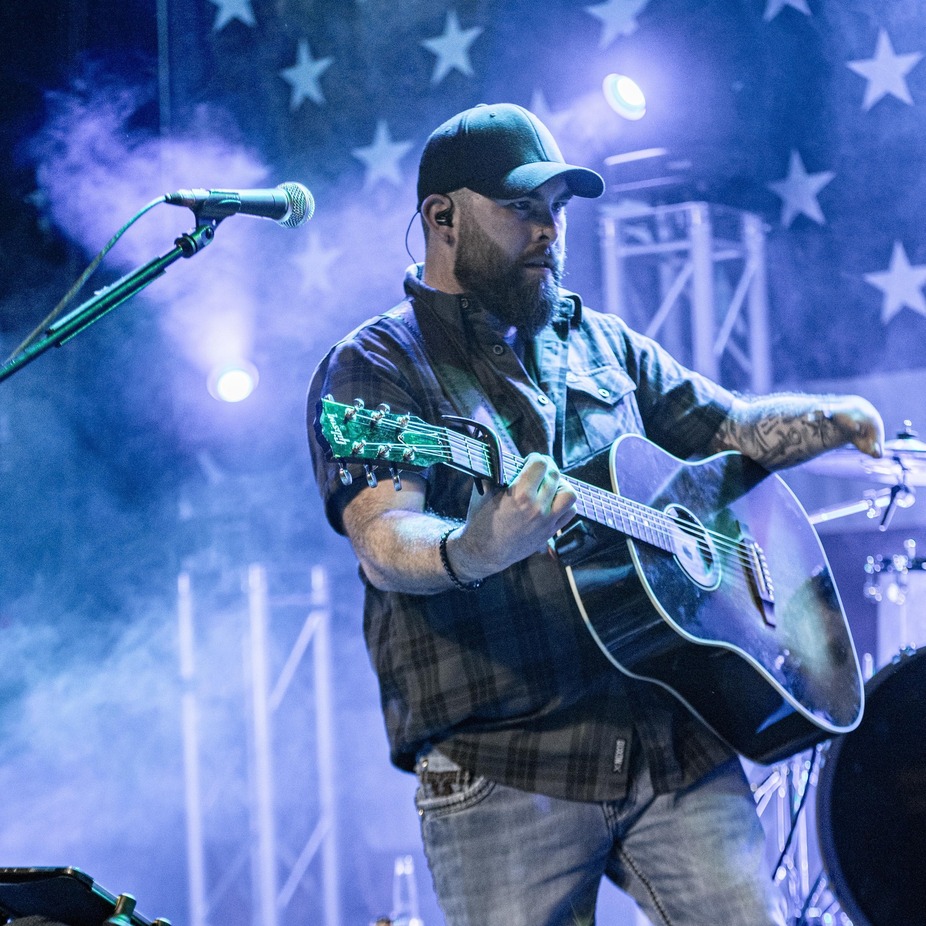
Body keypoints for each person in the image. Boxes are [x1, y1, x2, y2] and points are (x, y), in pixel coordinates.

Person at [306, 103, 883, 926]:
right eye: (521, 208)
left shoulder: (599, 340)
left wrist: (828, 420)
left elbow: (728, 430)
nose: (548, 230)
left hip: (674, 736)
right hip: (509, 767)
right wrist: (477, 546)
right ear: (442, 217)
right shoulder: (376, 365)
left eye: (557, 209)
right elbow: (383, 536)